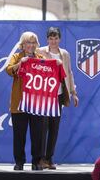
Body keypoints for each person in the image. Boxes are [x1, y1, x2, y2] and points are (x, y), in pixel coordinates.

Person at [37, 26, 79, 169]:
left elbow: (69, 72)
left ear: (59, 39)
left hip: (59, 95)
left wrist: (73, 93)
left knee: (54, 129)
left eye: (55, 38)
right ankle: (41, 159)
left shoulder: (65, 54)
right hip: (44, 95)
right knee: (43, 128)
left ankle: (49, 159)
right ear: (47, 39)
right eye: (51, 38)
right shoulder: (41, 51)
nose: (53, 41)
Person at [6, 31, 47, 171]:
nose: (30, 45)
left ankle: (37, 161)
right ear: (22, 45)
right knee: (19, 135)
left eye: (33, 42)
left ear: (36, 45)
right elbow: (8, 70)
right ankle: (19, 162)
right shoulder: (16, 57)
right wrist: (19, 64)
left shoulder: (41, 58)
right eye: (28, 42)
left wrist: (57, 64)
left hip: (37, 103)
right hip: (19, 103)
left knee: (38, 135)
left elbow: (49, 72)